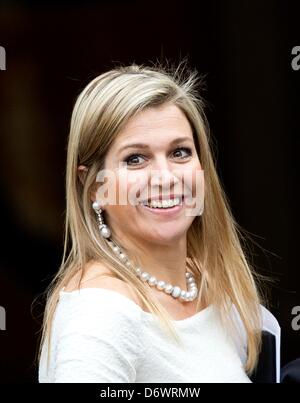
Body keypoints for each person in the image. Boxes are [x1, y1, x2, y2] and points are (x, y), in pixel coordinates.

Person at [38, 61, 280, 383]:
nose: (166, 178)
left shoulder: (206, 282)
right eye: (135, 159)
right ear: (95, 185)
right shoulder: (99, 308)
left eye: (180, 152)